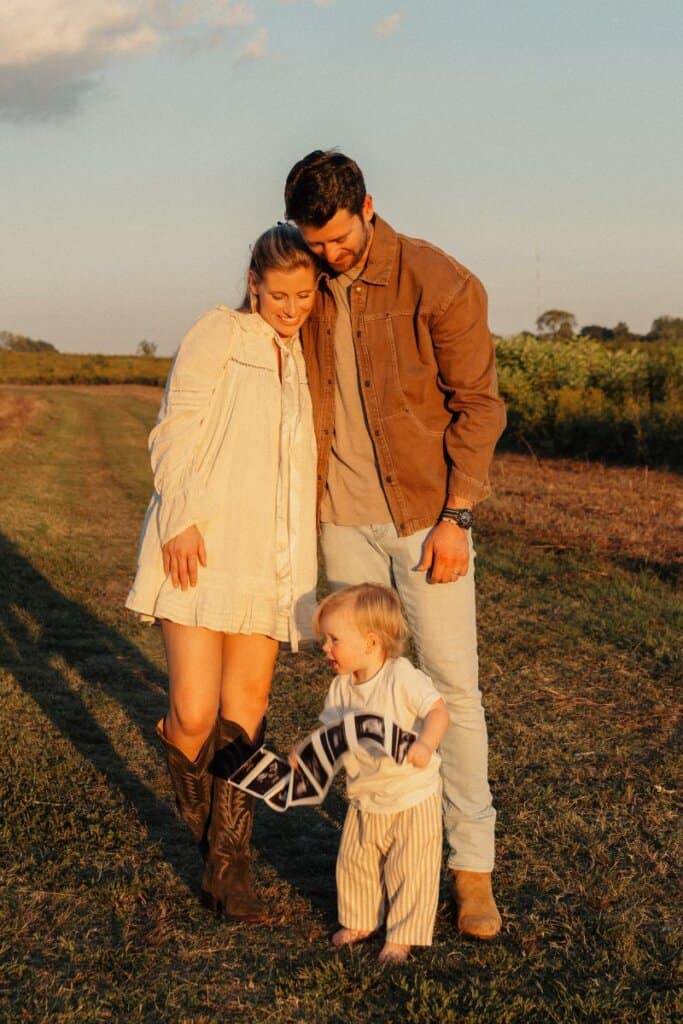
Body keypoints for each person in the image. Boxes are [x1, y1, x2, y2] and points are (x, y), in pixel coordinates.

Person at [284, 151, 507, 940]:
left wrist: (459, 516)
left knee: (448, 690)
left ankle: (469, 872)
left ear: (368, 207)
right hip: (340, 519)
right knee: (359, 691)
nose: (329, 258)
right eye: (316, 245)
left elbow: (478, 407)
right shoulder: (300, 272)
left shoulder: (437, 280)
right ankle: (379, 853)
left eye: (340, 243)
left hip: (424, 520)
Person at [125, 224, 320, 922]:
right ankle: (214, 837)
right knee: (192, 714)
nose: (292, 307)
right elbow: (174, 426)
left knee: (247, 713)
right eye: (279, 294)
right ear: (252, 284)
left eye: (304, 294)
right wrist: (180, 516)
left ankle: (228, 872)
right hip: (202, 540)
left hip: (271, 554)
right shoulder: (218, 334)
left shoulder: (305, 358)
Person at [292, 584, 449, 963]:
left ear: (371, 642)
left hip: (412, 793)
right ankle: (361, 920)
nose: (325, 648)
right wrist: (308, 750)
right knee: (356, 860)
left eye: (333, 640)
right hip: (366, 794)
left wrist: (425, 744)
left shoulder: (401, 677)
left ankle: (402, 936)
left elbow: (438, 711)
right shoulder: (342, 688)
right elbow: (332, 733)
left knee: (410, 868)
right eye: (324, 640)